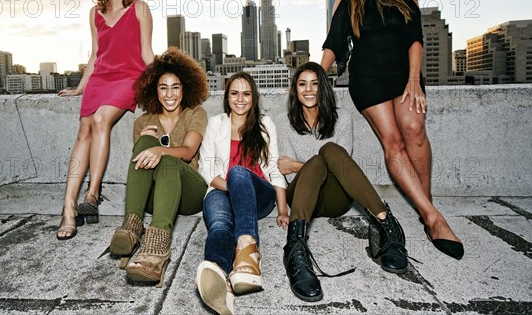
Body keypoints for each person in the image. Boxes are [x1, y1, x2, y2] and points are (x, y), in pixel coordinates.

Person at [321, 0, 463, 260]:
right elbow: (335, 43)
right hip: (367, 77)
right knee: (394, 142)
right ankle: (433, 217)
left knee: (414, 129)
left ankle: (423, 204)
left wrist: (415, 78)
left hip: (403, 73)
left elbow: (414, 37)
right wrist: (312, 75)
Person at [276, 62, 408, 302]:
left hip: (337, 198)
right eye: (302, 84)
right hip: (303, 198)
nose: (309, 90)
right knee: (318, 160)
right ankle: (295, 249)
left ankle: (387, 226)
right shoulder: (283, 122)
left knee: (330, 150)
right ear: (295, 89)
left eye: (315, 84)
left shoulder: (343, 118)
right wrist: (312, 165)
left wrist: (299, 164)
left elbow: (340, 166)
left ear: (324, 88)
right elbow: (285, 171)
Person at [56, 0, 154, 240]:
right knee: (83, 132)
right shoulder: (94, 13)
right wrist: (79, 88)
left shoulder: (140, 9)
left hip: (129, 77)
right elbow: (94, 55)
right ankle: (68, 208)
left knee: (100, 120)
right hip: (100, 78)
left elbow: (147, 53)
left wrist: (163, 82)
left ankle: (93, 193)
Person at [108, 48, 209, 287]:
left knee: (169, 159)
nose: (169, 94)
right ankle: (131, 226)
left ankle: (157, 246)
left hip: (189, 191)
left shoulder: (195, 113)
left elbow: (188, 152)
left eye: (175, 87)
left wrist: (160, 150)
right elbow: (142, 169)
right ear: (155, 90)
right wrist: (147, 142)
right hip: (157, 196)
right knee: (144, 142)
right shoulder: (144, 121)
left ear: (185, 89)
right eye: (163, 87)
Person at [195, 72, 288, 315]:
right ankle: (218, 278)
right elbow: (205, 166)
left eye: (246, 94)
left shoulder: (265, 124)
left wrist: (282, 209)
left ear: (253, 97)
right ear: (227, 97)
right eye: (234, 93)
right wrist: (230, 189)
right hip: (220, 189)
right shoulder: (216, 123)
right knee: (219, 225)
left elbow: (275, 168)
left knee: (237, 173)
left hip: (258, 195)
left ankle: (249, 253)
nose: (240, 99)